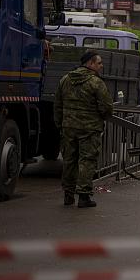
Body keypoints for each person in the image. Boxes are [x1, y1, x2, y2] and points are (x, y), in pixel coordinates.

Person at [54, 51, 114, 208]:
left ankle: (68, 195)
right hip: (89, 128)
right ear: (90, 64)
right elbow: (107, 106)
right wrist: (102, 117)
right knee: (87, 161)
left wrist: (60, 123)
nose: (101, 66)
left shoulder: (65, 79)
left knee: (69, 160)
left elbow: (58, 105)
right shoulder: (96, 82)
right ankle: (84, 196)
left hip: (68, 127)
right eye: (99, 63)